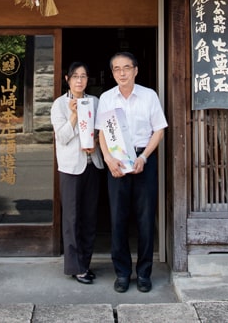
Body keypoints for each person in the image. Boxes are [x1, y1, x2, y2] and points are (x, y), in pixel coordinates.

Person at [96, 52, 168, 294]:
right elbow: (102, 134)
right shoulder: (107, 98)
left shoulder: (149, 96)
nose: (122, 73)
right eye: (117, 69)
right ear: (113, 73)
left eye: (127, 68)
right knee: (117, 220)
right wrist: (108, 160)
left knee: (146, 220)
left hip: (142, 160)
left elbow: (159, 130)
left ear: (136, 70)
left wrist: (144, 157)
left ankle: (145, 273)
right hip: (116, 164)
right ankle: (123, 273)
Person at [50, 61, 104, 285]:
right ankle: (75, 267)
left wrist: (96, 143)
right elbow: (61, 137)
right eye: (75, 76)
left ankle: (86, 263)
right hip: (71, 167)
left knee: (90, 217)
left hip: (93, 164)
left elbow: (103, 131)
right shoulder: (59, 105)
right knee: (72, 218)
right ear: (67, 80)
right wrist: (73, 115)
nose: (80, 80)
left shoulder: (95, 101)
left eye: (83, 76)